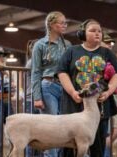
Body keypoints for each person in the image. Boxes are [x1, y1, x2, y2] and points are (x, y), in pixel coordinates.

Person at [58, 19, 117, 157]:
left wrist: (108, 91)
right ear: (82, 33)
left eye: (99, 31)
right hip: (74, 104)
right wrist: (72, 92)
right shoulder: (71, 51)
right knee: (68, 146)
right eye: (92, 30)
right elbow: (62, 72)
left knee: (98, 144)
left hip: (100, 106)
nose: (97, 33)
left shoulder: (107, 53)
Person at [31, 11, 71, 157]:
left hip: (65, 87)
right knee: (51, 128)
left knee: (64, 127)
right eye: (62, 23)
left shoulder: (67, 45)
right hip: (48, 86)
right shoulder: (39, 45)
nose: (65, 25)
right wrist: (37, 97)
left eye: (65, 23)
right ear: (52, 25)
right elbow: (35, 72)